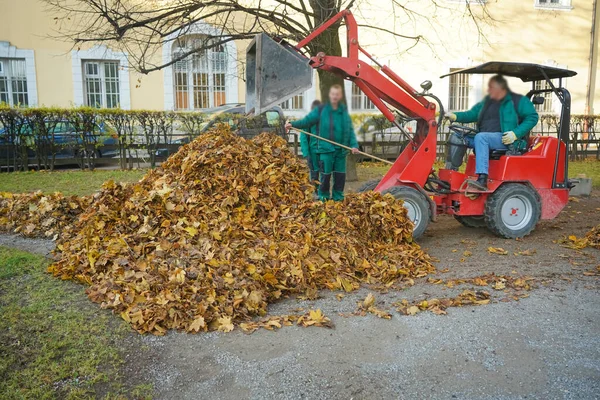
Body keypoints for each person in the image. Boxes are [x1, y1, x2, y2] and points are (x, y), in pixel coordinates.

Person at [445, 75, 539, 190]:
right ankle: (449, 175)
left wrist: (515, 134)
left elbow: (532, 117)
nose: (489, 90)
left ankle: (482, 179)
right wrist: (455, 116)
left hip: (505, 140)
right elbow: (471, 114)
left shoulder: (518, 101)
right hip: (485, 139)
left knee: (481, 137)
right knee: (457, 137)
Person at [285, 84, 359, 201]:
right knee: (325, 175)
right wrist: (293, 124)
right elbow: (306, 121)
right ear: (330, 95)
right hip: (326, 149)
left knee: (340, 175)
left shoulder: (343, 113)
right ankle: (323, 197)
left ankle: (337, 197)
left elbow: (349, 131)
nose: (335, 97)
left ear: (340, 96)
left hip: (341, 150)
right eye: (333, 94)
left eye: (337, 94)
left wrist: (354, 145)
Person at [300, 100, 322, 192]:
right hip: (312, 152)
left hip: (324, 152)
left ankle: (323, 191)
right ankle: (315, 191)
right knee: (314, 173)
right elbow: (304, 138)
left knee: (325, 173)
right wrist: (306, 153)